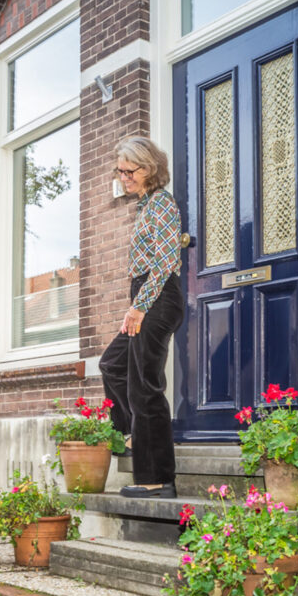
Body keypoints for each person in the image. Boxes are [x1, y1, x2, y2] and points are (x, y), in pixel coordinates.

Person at [98, 136, 184, 499]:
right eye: (120, 171)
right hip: (146, 297)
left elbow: (164, 263)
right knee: (113, 364)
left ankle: (158, 479)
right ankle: (132, 434)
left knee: (145, 387)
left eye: (128, 171)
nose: (123, 178)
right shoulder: (145, 206)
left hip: (158, 298)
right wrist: (136, 302)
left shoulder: (162, 205)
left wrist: (139, 305)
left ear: (148, 169)